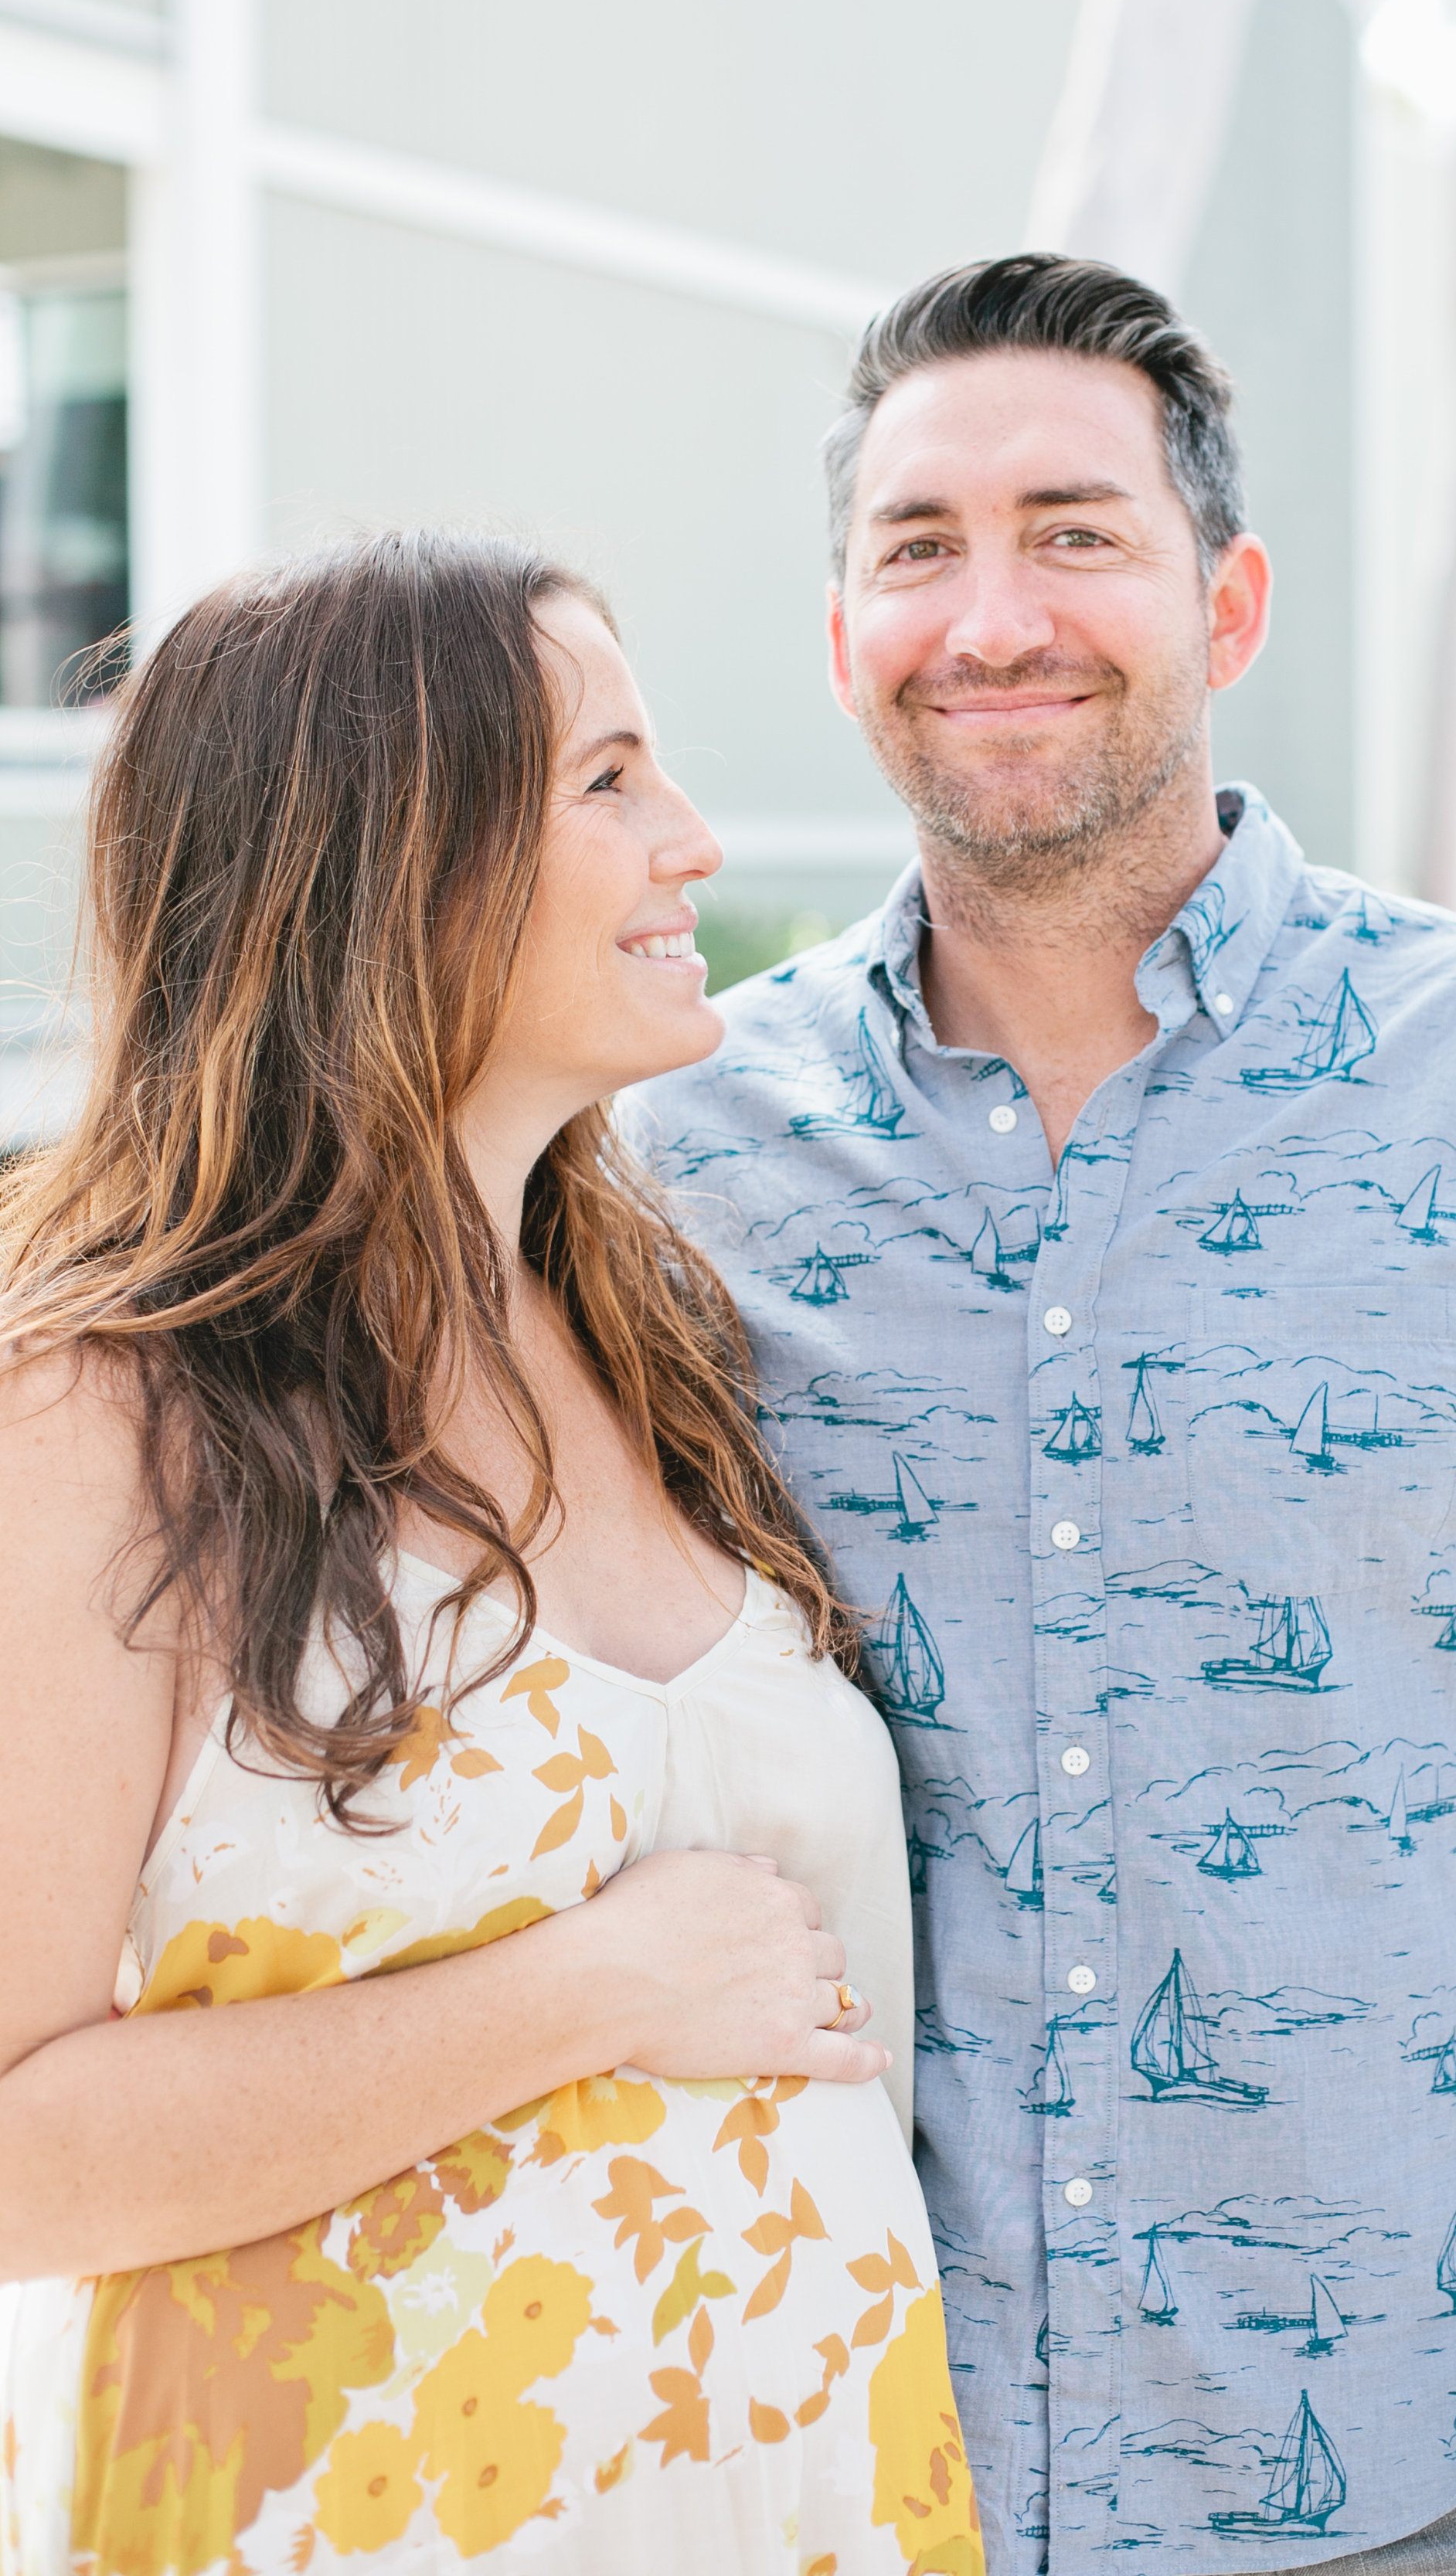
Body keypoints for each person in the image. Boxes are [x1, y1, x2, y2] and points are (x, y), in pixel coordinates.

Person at [637, 255, 1456, 2575]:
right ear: (844, 634)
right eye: (920, 548)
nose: (994, 615)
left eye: (1076, 532)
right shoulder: (676, 1160)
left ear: (1231, 600)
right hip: (826, 2476)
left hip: (1434, 2490)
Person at [0, 532, 983, 2576]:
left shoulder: (652, 1336)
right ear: (389, 865)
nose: (693, 841)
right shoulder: (102, 1414)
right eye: (609, 780)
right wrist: (591, 1990)